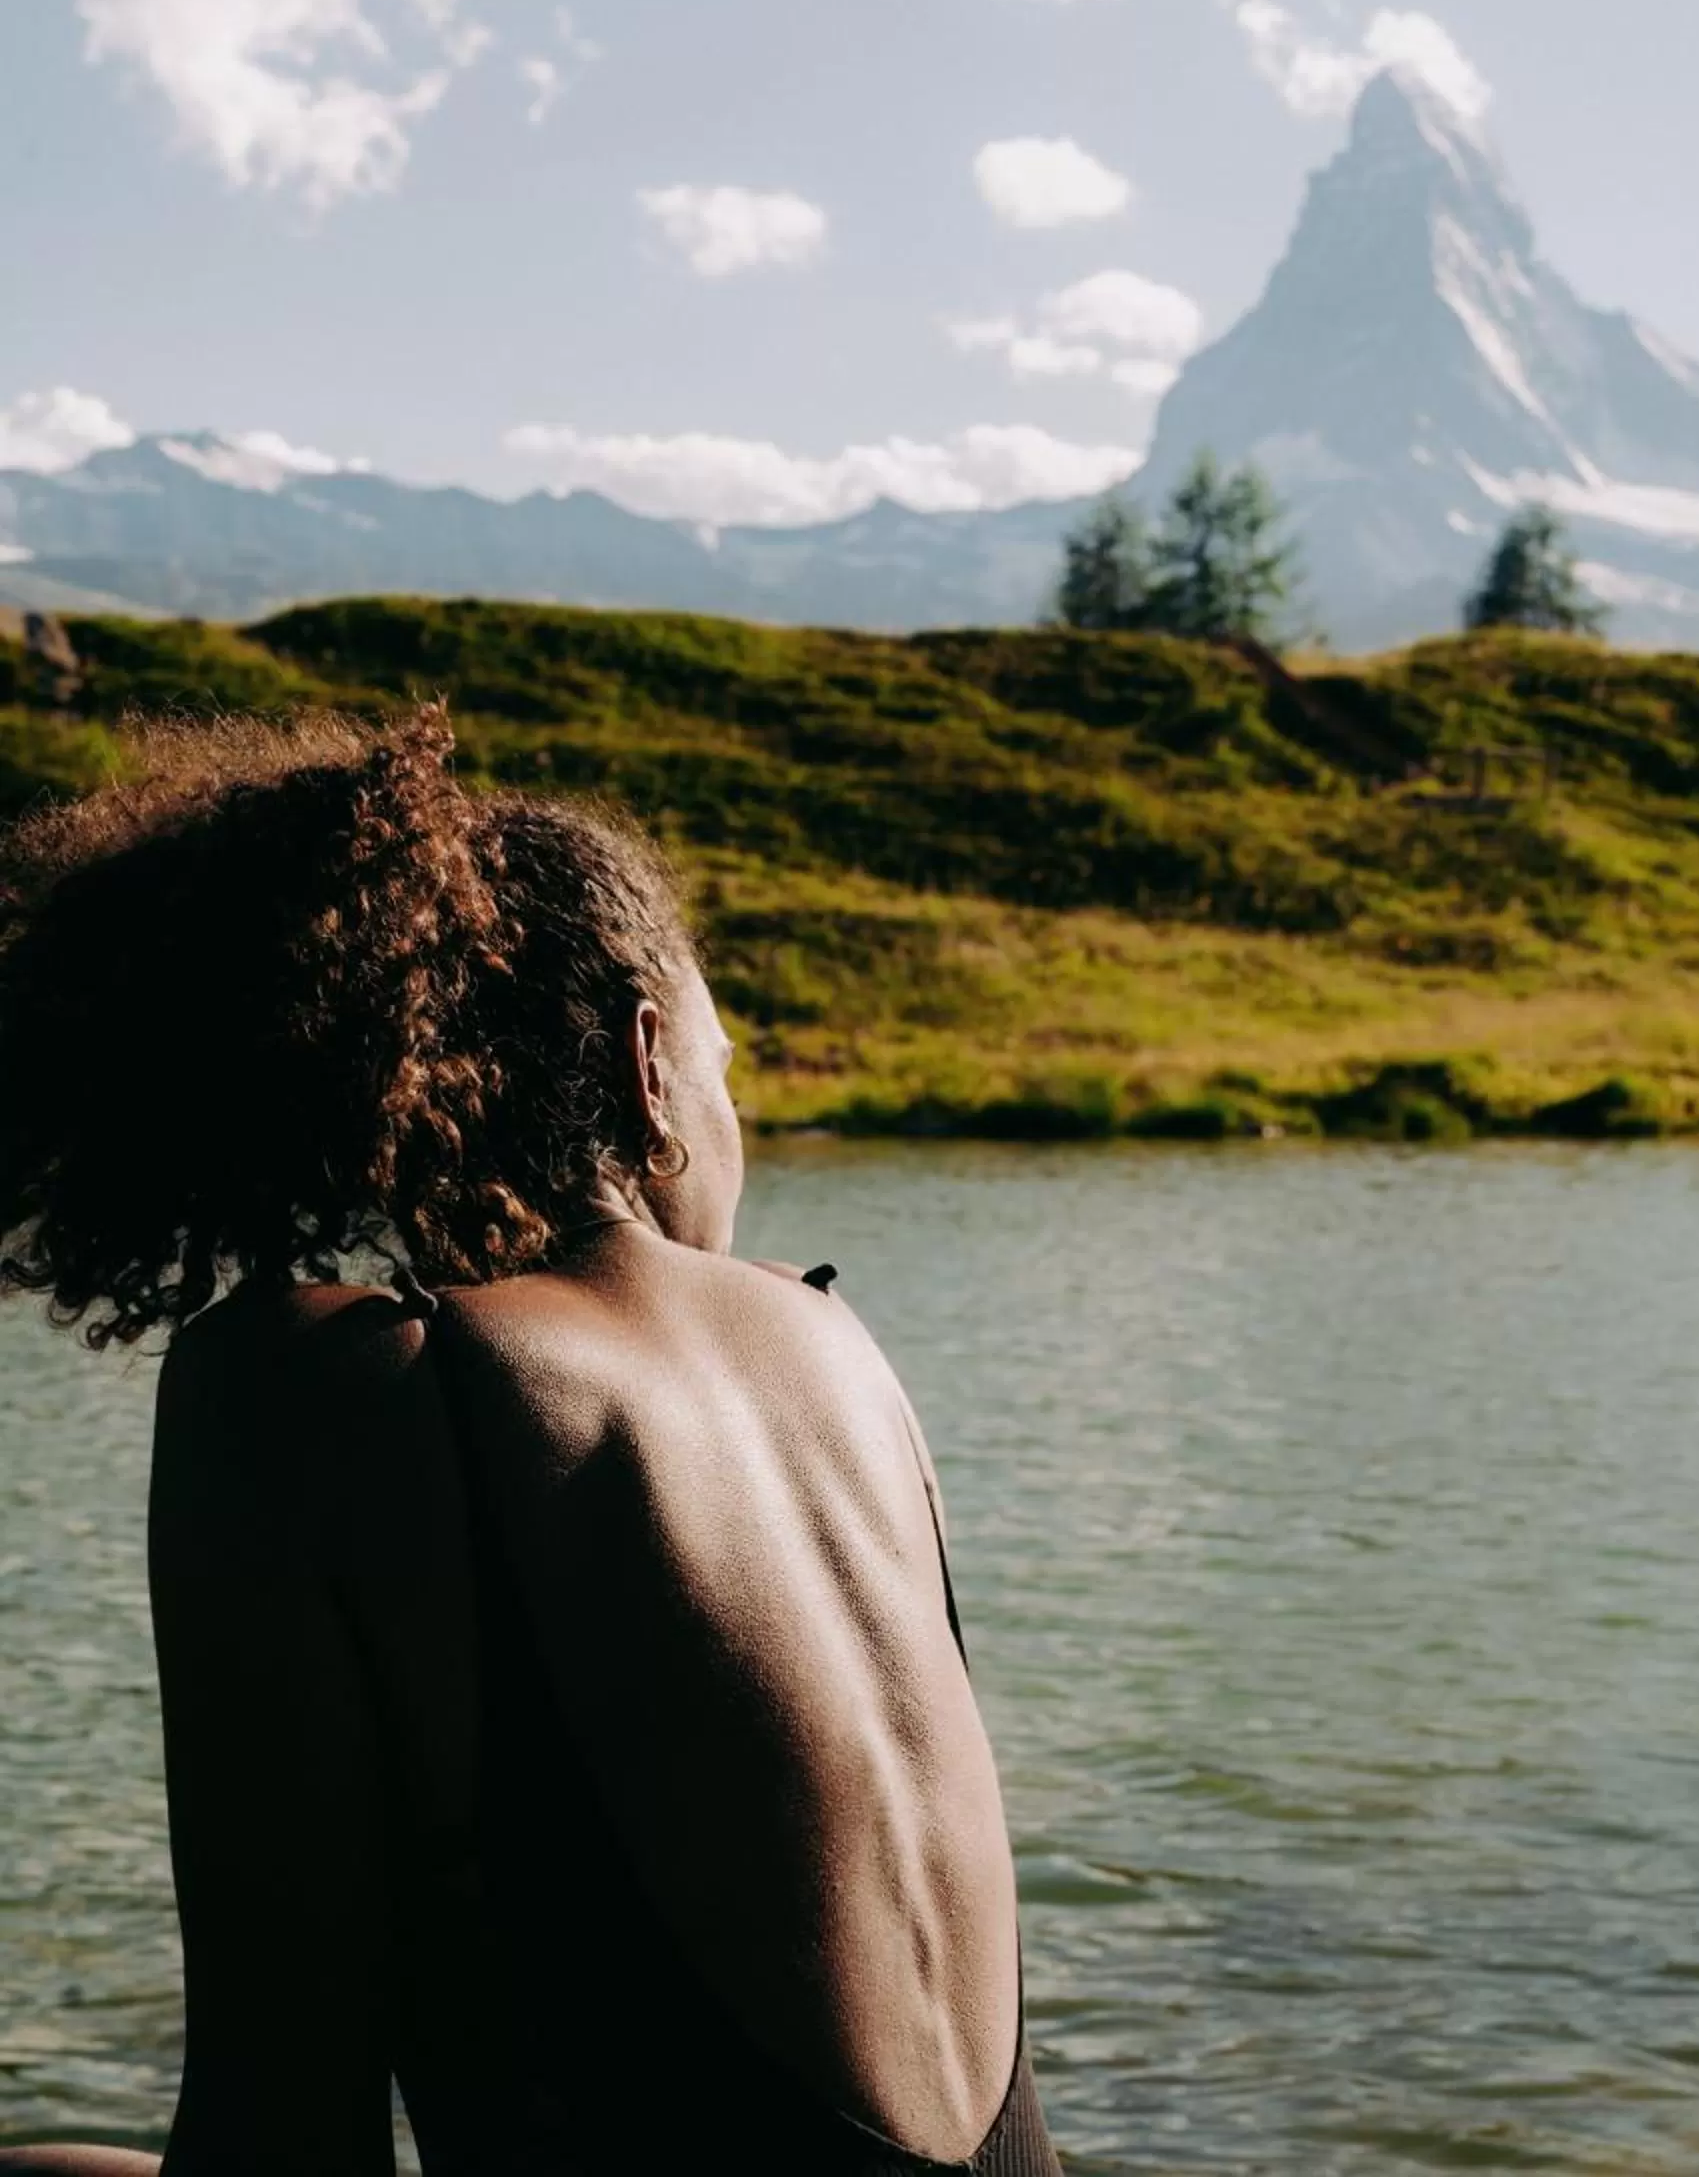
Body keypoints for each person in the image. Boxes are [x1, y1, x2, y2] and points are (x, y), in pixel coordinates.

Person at [0, 708, 1061, 2177]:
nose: (735, 1114)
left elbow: (278, 2127)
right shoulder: (831, 1345)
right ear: (648, 1071)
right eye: (727, 1067)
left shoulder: (333, 1385)